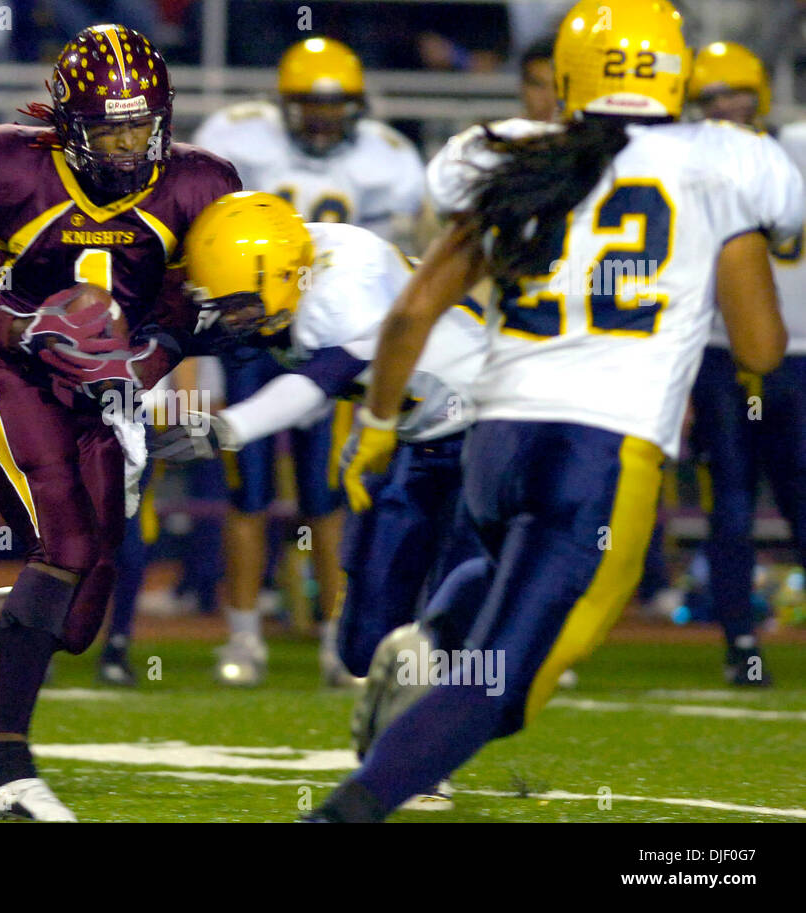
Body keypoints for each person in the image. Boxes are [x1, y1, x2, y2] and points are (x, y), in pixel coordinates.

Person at [313, 0, 803, 821]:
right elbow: (759, 347)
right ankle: (344, 811)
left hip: (496, 443)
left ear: (571, 75)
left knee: (505, 575)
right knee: (504, 687)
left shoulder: (512, 156)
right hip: (603, 453)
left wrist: (377, 426)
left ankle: (430, 641)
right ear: (674, 72)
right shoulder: (726, 162)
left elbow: (410, 313)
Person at [0, 23, 241, 820]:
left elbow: (184, 308)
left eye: (142, 126)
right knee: (62, 545)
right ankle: (2, 758)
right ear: (68, 126)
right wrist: (26, 330)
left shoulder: (197, 185)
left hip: (100, 390)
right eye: (110, 129)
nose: (130, 145)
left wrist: (146, 362)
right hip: (12, 370)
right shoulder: (12, 172)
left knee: (73, 619)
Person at [150, 190, 486, 810]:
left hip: (489, 429)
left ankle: (422, 760)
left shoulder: (341, 289)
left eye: (241, 305)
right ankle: (395, 718)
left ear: (283, 276)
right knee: (365, 640)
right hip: (410, 436)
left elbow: (315, 385)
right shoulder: (273, 263)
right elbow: (186, 332)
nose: (234, 319)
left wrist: (225, 428)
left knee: (450, 609)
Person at [191, 37, 426, 687]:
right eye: (309, 106)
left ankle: (336, 639)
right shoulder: (239, 138)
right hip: (252, 330)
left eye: (333, 106)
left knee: (327, 494)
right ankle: (244, 636)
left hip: (325, 320)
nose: (321, 120)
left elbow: (408, 238)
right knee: (248, 493)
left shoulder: (387, 159)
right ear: (284, 104)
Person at [686, 41, 797, 685]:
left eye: (737, 91)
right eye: (711, 96)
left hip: (798, 357)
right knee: (729, 508)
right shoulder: (687, 164)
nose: (726, 104)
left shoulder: (797, 146)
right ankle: (743, 646)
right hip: (721, 357)